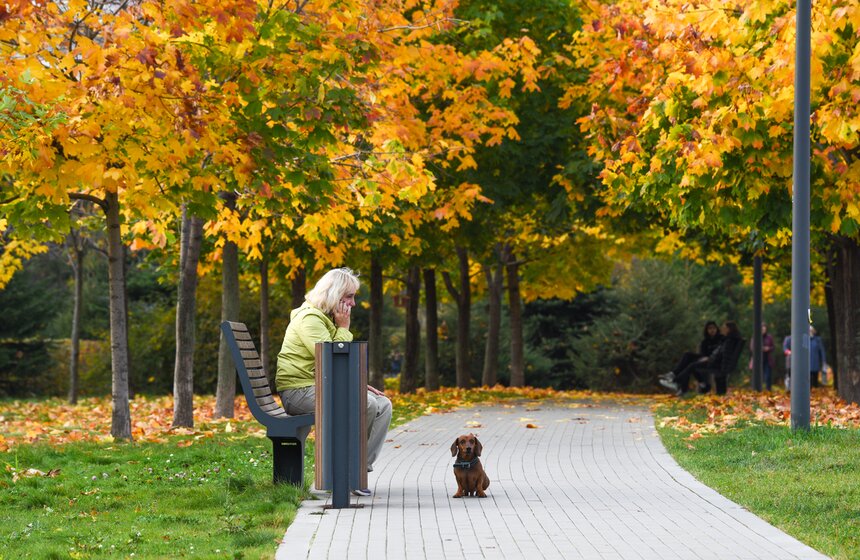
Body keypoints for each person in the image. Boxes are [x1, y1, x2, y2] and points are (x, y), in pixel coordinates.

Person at [275, 267, 392, 496]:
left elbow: (337, 365)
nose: (353, 303)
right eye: (349, 296)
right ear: (334, 294)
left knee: (383, 404)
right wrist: (344, 328)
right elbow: (331, 359)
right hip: (298, 392)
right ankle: (348, 472)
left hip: (319, 386)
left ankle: (357, 469)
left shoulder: (325, 319)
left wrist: (357, 382)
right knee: (366, 403)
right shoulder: (310, 319)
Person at [659, 321, 744, 396]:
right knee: (688, 356)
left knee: (692, 365)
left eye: (723, 328)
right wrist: (709, 358)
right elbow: (721, 354)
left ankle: (677, 382)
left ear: (729, 329)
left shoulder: (728, 340)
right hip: (713, 360)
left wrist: (721, 368)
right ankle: (675, 377)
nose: (721, 329)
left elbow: (725, 356)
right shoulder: (727, 340)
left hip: (715, 363)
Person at [659, 321, 724, 384]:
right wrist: (703, 358)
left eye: (714, 328)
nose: (712, 330)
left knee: (691, 365)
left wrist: (710, 357)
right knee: (687, 355)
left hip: (715, 360)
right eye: (710, 328)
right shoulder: (705, 342)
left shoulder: (721, 338)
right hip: (705, 359)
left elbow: (723, 350)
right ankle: (673, 374)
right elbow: (703, 354)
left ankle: (676, 381)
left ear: (717, 329)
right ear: (706, 330)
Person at [749, 322, 775, 391]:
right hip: (757, 360)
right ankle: (756, 390)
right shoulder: (755, 337)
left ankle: (768, 390)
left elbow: (773, 347)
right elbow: (752, 348)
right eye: (762, 329)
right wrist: (761, 349)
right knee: (757, 376)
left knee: (768, 376)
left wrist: (768, 348)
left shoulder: (769, 337)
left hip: (767, 360)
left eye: (764, 329)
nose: (763, 330)